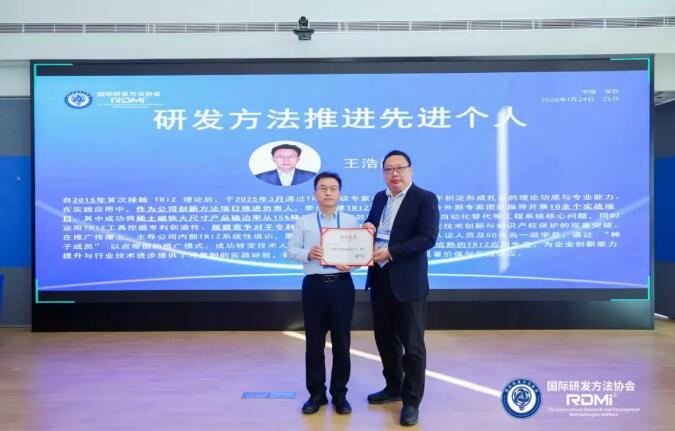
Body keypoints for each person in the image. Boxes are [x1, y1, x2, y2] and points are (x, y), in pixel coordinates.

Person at [363, 150, 440, 427]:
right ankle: (393, 387)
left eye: (399, 168)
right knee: (385, 339)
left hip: (408, 283)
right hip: (380, 279)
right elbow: (373, 227)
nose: (394, 174)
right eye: (388, 169)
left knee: (413, 345)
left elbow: (427, 238)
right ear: (383, 172)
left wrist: (392, 252)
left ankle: (411, 402)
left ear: (410, 170)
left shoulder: (425, 199)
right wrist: (367, 228)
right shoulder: (379, 198)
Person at [287, 172, 359, 415]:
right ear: (315, 193)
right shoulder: (304, 221)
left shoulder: (350, 221)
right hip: (314, 286)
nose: (328, 192)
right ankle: (316, 394)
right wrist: (308, 253)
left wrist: (352, 264)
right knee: (314, 343)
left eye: (333, 188)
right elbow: (290, 250)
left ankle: (340, 395)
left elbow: (359, 253)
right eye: (323, 188)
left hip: (341, 285)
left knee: (342, 342)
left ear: (340, 193)